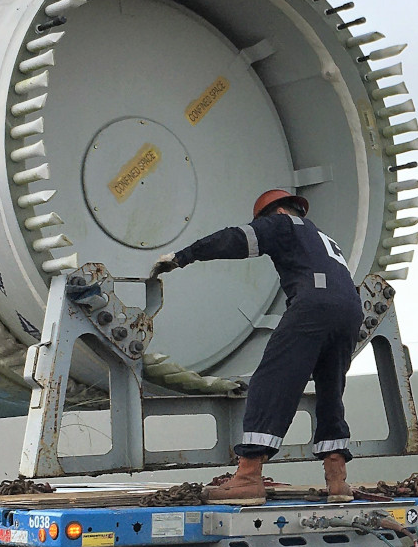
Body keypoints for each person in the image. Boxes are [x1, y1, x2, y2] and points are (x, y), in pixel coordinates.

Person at [150, 189, 363, 504]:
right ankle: (337, 480)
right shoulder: (323, 238)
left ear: (276, 212)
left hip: (313, 305)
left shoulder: (283, 225)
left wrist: (182, 257)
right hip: (350, 310)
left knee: (272, 380)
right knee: (331, 390)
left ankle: (248, 477)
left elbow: (235, 239)